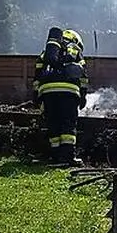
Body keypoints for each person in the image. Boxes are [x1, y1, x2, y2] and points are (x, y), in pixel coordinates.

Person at [33, 28, 88, 166]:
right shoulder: (75, 50)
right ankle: (68, 157)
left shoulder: (46, 53)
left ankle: (55, 155)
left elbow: (37, 75)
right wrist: (83, 95)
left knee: (53, 123)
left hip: (47, 92)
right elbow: (83, 76)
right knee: (68, 124)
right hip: (68, 91)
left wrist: (36, 94)